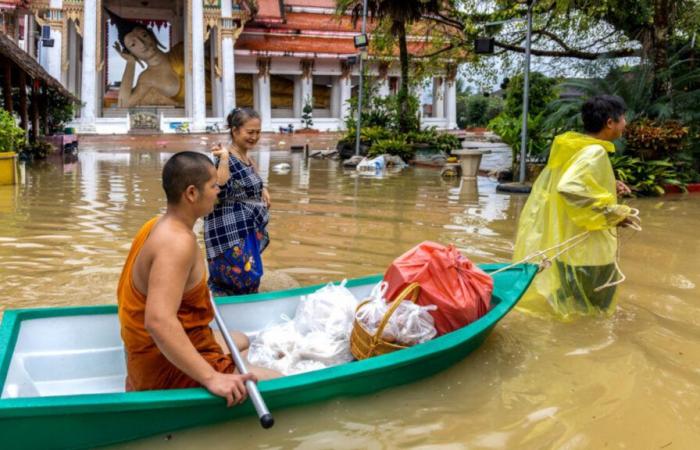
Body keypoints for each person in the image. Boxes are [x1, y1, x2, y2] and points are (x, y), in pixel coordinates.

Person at [117, 151, 279, 406]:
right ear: (191, 193)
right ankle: (223, 372)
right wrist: (211, 377)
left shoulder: (155, 224)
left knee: (241, 340)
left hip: (147, 354)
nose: (218, 191)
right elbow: (158, 321)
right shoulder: (177, 243)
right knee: (280, 379)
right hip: (160, 369)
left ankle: (235, 366)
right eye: (214, 186)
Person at [513, 95, 637, 320]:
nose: (626, 123)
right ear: (610, 122)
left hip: (569, 250)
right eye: (623, 118)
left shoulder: (575, 147)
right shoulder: (595, 152)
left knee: (572, 311)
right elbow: (569, 187)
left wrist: (609, 185)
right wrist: (614, 214)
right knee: (597, 315)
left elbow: (576, 182)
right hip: (591, 253)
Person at [204, 108, 270, 296]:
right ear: (235, 131)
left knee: (250, 276)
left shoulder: (246, 157)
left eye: (258, 132)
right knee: (241, 277)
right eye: (250, 132)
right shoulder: (225, 157)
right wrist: (224, 158)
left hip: (245, 229)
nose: (255, 137)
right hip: (229, 232)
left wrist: (263, 189)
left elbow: (251, 182)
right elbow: (219, 187)